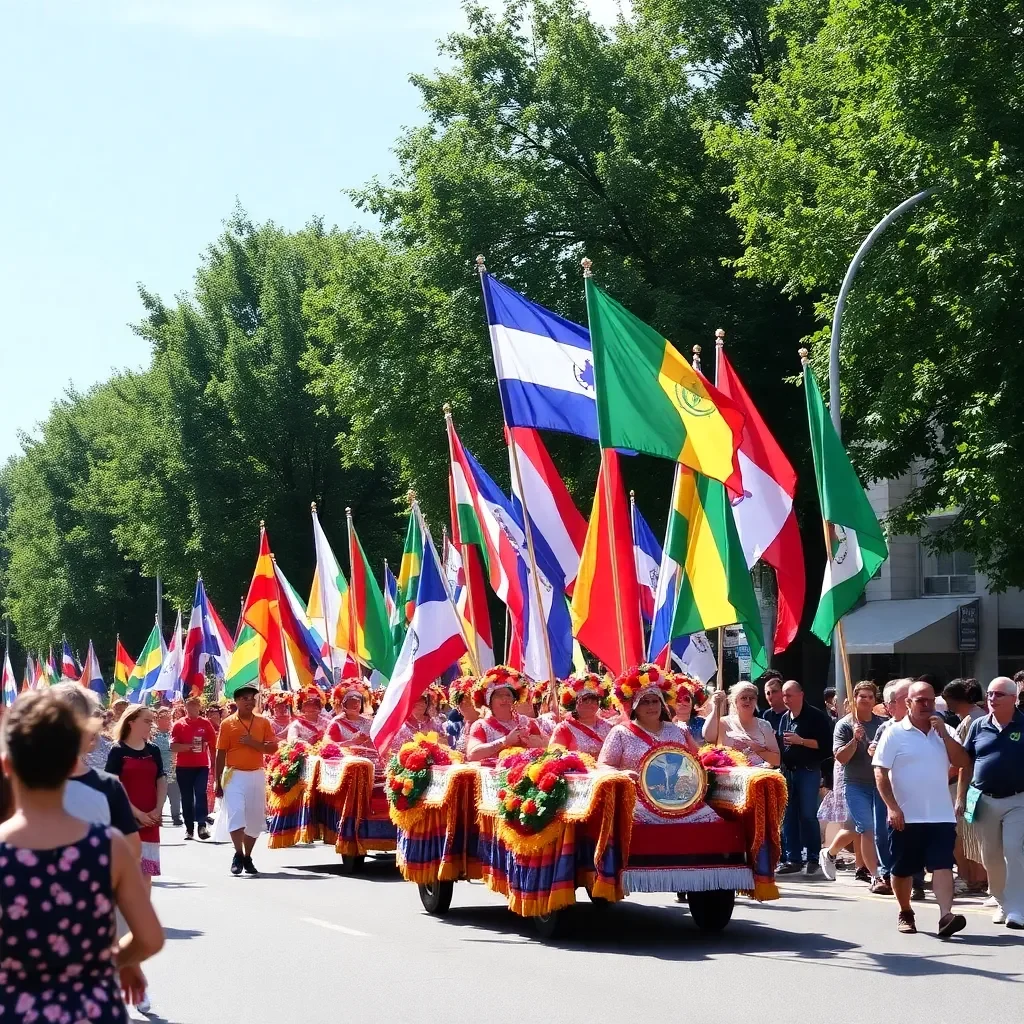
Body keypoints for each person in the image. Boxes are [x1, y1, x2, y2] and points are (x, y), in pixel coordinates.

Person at [0, 689, 164, 1020]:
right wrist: (105, 962)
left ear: (6, 764)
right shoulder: (110, 846)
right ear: (74, 761)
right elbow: (149, 938)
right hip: (90, 1007)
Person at [873, 680, 972, 937]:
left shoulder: (946, 730)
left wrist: (945, 736)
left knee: (942, 865)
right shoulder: (894, 733)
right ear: (908, 703)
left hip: (940, 815)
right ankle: (905, 911)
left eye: (930, 700)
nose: (927, 705)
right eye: (920, 701)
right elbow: (880, 772)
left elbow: (963, 762)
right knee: (902, 870)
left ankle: (945, 916)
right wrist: (892, 808)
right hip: (906, 816)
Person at [958, 676, 1024, 928]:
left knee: (1013, 849)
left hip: (1018, 799)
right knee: (991, 855)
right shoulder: (978, 726)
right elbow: (966, 762)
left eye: (998, 695)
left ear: (1013, 698)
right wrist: (961, 797)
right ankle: (1001, 901)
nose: (992, 699)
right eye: (989, 695)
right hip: (985, 799)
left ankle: (1018, 908)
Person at [820, 682, 885, 882]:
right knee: (867, 827)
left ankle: (833, 854)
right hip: (855, 784)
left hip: (879, 784)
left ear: (875, 700)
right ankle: (875, 875)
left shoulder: (883, 723)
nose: (865, 700)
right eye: (861, 696)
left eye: (869, 696)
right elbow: (841, 758)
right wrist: (855, 740)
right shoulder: (845, 725)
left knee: (869, 829)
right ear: (854, 699)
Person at [214, 682, 278, 876]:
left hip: (256, 774)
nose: (249, 702)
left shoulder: (263, 722)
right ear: (236, 701)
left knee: (255, 819)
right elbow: (220, 754)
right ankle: (238, 853)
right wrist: (217, 781)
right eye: (245, 699)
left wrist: (254, 743)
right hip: (234, 775)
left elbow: (272, 748)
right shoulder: (227, 723)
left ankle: (247, 856)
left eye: (252, 698)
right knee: (237, 814)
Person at [776, 680, 833, 875]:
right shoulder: (785, 717)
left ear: (801, 695)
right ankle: (793, 859)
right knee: (789, 815)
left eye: (789, 695)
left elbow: (826, 746)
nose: (786, 699)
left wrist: (800, 741)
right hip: (788, 771)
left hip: (808, 770)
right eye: (784, 695)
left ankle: (813, 857)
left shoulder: (816, 716)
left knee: (808, 814)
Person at [105, 705, 166, 884]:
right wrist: (137, 814)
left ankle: (142, 909)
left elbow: (160, 779)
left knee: (146, 874)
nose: (151, 725)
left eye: (151, 721)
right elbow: (114, 785)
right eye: (147, 721)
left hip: (151, 819)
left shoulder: (153, 750)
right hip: (125, 818)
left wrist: (158, 809)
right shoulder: (117, 750)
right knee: (125, 874)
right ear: (131, 722)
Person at [943, 679, 988, 895]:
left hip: (965, 785)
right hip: (974, 786)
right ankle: (977, 878)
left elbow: (961, 761)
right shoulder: (977, 716)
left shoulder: (971, 721)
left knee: (962, 835)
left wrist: (946, 783)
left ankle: (971, 878)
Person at [466, 667, 547, 764]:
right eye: (499, 695)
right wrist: (505, 741)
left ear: (514, 700)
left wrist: (534, 742)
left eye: (508, 695)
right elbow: (472, 754)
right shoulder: (481, 726)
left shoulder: (527, 722)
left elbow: (546, 747)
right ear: (489, 702)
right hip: (496, 777)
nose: (505, 699)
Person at [170, 694, 219, 840]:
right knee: (186, 798)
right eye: (189, 706)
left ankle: (202, 825)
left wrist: (214, 767)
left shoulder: (205, 724)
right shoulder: (179, 724)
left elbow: (213, 746)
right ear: (185, 707)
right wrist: (188, 747)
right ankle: (189, 828)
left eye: (195, 706)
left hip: (201, 766)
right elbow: (173, 746)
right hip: (183, 766)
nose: (192, 709)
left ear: (199, 707)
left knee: (200, 793)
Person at [702, 682, 781, 767]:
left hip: (758, 775)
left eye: (752, 698)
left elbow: (777, 760)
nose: (748, 701)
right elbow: (708, 737)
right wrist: (716, 706)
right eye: (743, 698)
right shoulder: (723, 722)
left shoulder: (764, 725)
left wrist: (754, 747)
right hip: (729, 774)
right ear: (735, 702)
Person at [549, 672, 613, 758]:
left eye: (594, 701)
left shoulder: (609, 727)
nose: (590, 705)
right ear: (574, 703)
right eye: (585, 701)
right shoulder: (564, 729)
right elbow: (553, 756)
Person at [325, 681, 375, 754]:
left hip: (370, 760)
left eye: (358, 702)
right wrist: (352, 742)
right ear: (343, 704)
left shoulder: (369, 722)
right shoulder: (337, 723)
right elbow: (329, 747)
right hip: (345, 761)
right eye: (350, 702)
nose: (354, 705)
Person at [152, 705, 182, 828]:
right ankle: (157, 816)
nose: (166, 719)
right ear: (157, 719)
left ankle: (176, 816)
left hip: (173, 769)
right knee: (159, 796)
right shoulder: (152, 735)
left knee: (175, 795)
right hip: (158, 770)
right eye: (162, 717)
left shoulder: (174, 733)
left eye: (168, 717)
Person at [444, 676, 479, 754]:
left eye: (468, 698)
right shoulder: (463, 726)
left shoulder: (485, 725)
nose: (464, 702)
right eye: (460, 699)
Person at [672, 675, 708, 743]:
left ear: (692, 702)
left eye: (686, 699)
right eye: (678, 700)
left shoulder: (703, 722)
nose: (683, 702)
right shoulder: (668, 727)